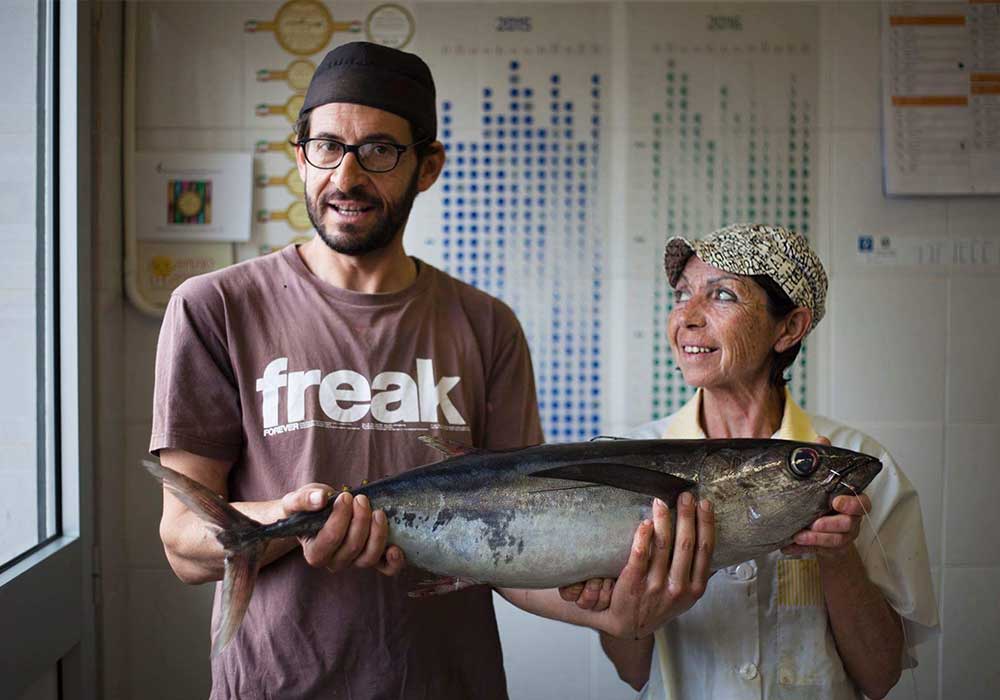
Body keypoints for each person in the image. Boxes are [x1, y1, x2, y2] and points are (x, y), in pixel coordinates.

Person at [149, 41, 551, 698]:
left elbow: (521, 531)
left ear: (428, 166)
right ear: (300, 155)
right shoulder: (215, 307)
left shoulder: (486, 324)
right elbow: (184, 544)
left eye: (380, 151)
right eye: (326, 147)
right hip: (275, 686)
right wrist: (289, 518)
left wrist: (618, 603)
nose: (346, 176)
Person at [585, 223, 938, 699]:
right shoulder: (626, 464)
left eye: (722, 295)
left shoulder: (863, 469)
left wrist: (838, 557)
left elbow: (880, 676)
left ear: (788, 327)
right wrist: (626, 605)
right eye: (682, 294)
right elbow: (632, 671)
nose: (686, 317)